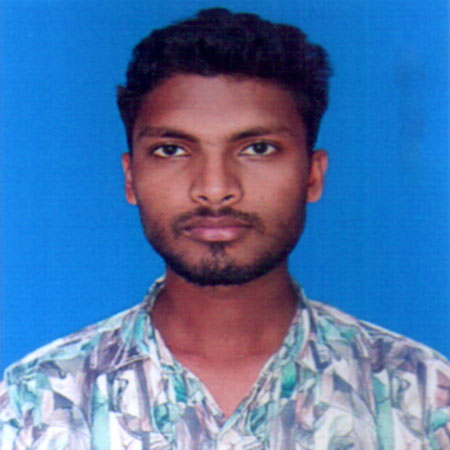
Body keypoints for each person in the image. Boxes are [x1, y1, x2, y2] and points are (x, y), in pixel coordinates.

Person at [1, 8, 449, 449]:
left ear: (313, 175)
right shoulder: (33, 404)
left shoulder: (422, 395)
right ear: (131, 178)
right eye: (172, 150)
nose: (215, 190)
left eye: (258, 148)